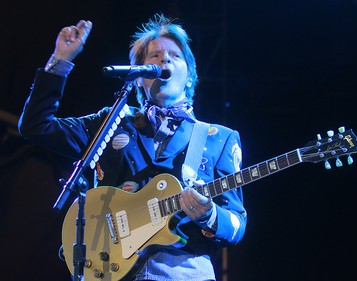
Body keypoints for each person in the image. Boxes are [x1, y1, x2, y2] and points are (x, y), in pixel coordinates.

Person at [18, 14, 247, 281]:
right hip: (110, 269)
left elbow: (237, 225)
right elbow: (36, 126)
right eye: (155, 56)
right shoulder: (112, 122)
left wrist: (209, 214)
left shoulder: (218, 138)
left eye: (174, 55)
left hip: (183, 272)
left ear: (189, 76)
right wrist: (61, 60)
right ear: (139, 76)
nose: (164, 60)